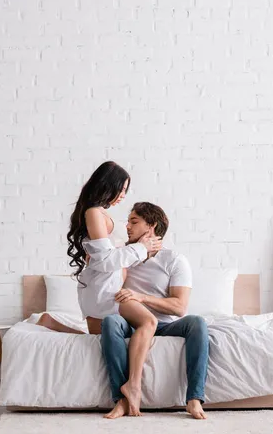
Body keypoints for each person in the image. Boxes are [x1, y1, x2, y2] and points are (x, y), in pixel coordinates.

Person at [100, 202, 209, 420]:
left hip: (166, 324)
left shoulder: (174, 260)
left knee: (197, 323)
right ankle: (121, 399)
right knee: (110, 322)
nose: (127, 227)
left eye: (134, 221)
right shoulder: (123, 255)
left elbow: (179, 307)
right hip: (131, 322)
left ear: (151, 227)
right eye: (128, 221)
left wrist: (140, 297)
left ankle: (194, 399)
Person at [37, 161, 162, 338]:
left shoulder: (101, 212)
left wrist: (143, 246)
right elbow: (105, 259)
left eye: (126, 190)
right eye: (122, 189)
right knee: (121, 333)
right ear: (108, 185)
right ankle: (50, 322)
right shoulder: (93, 212)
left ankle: (50, 322)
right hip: (103, 288)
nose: (124, 195)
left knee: (98, 339)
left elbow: (104, 255)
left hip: (108, 283)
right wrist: (141, 247)